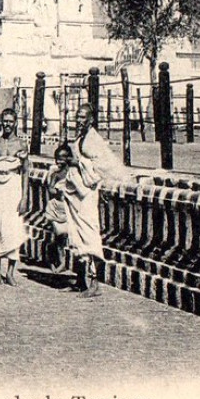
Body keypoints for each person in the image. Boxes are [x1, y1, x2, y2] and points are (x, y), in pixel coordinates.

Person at [64, 101, 126, 297]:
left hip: (88, 194)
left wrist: (79, 162)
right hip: (77, 192)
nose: (79, 120)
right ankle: (81, 280)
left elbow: (102, 166)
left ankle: (95, 283)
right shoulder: (81, 137)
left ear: (90, 120)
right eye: (77, 117)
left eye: (83, 117)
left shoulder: (94, 140)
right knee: (76, 236)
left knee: (90, 235)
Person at [0, 108, 29, 286]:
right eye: (5, 121)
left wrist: (25, 197)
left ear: (16, 123)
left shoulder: (21, 145)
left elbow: (26, 172)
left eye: (10, 121)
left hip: (14, 188)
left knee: (14, 229)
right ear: (1, 122)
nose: (7, 124)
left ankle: (10, 272)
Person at [43, 142, 74, 272]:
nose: (58, 161)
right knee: (58, 235)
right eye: (57, 158)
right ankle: (59, 261)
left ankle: (59, 259)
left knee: (63, 237)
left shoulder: (73, 174)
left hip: (67, 209)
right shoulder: (56, 174)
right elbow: (49, 189)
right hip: (55, 208)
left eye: (62, 158)